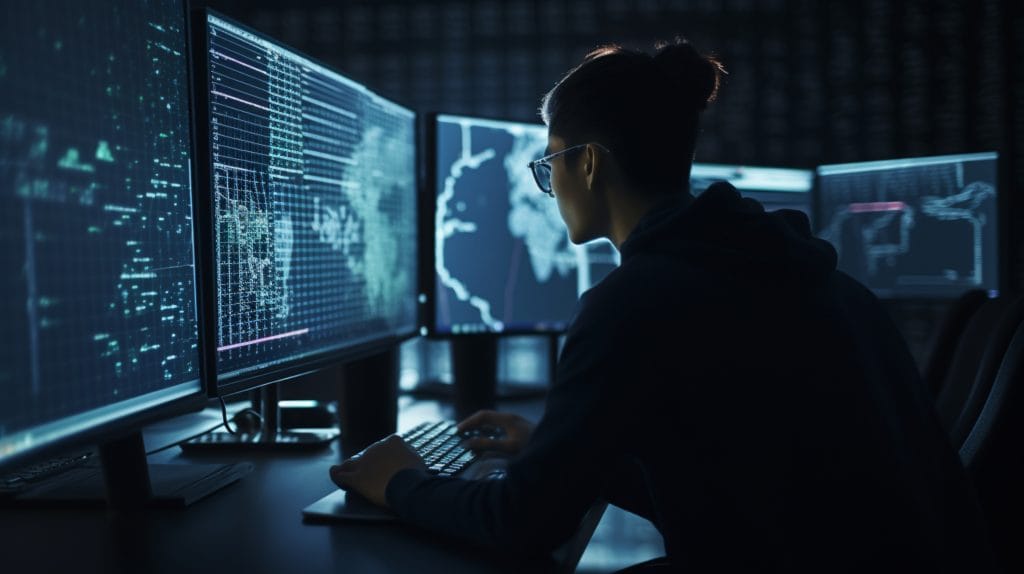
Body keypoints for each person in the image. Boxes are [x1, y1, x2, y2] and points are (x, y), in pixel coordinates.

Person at [331, 38, 996, 572]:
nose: (549, 183)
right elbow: (737, 488)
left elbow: (520, 527)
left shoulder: (634, 304)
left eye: (549, 163)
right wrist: (563, 453)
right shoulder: (804, 275)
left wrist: (399, 482)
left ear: (588, 165)